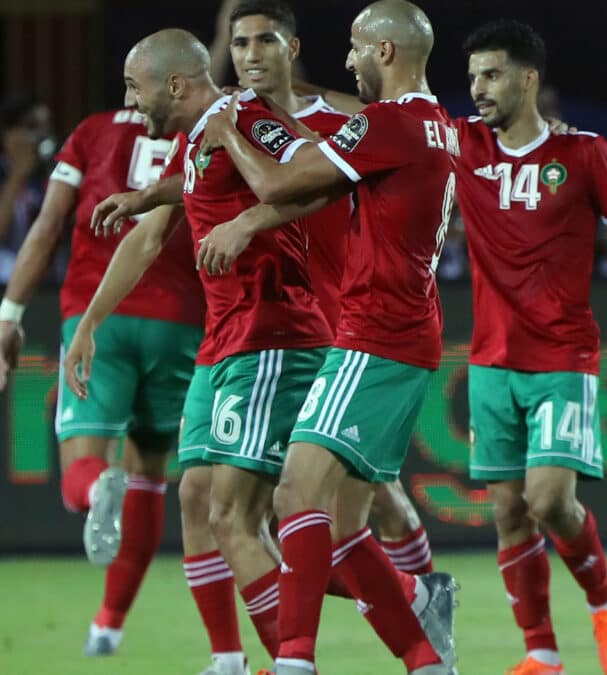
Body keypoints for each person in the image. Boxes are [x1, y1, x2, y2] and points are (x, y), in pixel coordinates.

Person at [194, 1, 460, 672]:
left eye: (355, 48)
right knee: (341, 529)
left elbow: (285, 178)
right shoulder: (437, 128)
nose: (348, 62)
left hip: (374, 330)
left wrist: (229, 134)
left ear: (386, 53)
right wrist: (249, 222)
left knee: (291, 496)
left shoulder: (388, 122)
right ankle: (428, 655)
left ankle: (294, 660)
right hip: (404, 328)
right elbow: (315, 192)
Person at [63, 28, 337, 674]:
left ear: (176, 85)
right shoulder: (192, 140)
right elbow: (150, 236)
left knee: (240, 513)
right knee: (195, 497)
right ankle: (229, 657)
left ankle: (301, 656)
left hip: (269, 331)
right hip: (221, 340)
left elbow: (319, 177)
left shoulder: (244, 116)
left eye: (137, 87)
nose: (131, 101)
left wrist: (247, 223)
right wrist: (90, 321)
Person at [454, 20, 607, 675]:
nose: (479, 90)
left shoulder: (585, 155)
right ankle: (541, 651)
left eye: (491, 75)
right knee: (506, 512)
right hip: (491, 358)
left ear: (529, 78)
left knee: (548, 499)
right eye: (472, 77)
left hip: (562, 356)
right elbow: (383, 116)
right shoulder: (462, 145)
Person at [223, 0, 437, 577]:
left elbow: (286, 183)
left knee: (342, 503)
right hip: (301, 330)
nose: (250, 55)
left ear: (290, 48)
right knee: (295, 504)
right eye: (239, 44)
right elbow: (311, 193)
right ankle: (406, 619)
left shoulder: (351, 117)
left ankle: (414, 608)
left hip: (356, 326)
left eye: (264, 41)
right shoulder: (233, 119)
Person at [0, 97, 206, 659]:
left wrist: (9, 316)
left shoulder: (92, 133)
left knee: (80, 471)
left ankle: (94, 489)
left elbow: (47, 226)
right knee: (151, 473)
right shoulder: (205, 129)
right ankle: (108, 625)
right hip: (180, 318)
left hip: (98, 314)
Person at [0, 94, 64, 284]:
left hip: (54, 283)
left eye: (48, 125)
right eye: (32, 126)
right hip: (4, 283)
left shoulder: (60, 174)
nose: (44, 133)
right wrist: (18, 174)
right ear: (8, 136)